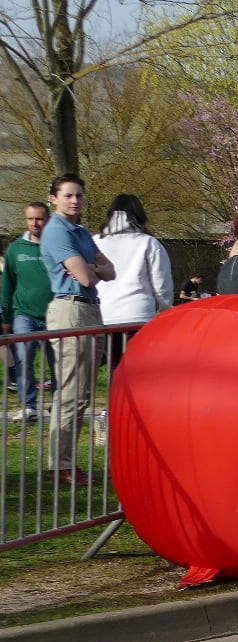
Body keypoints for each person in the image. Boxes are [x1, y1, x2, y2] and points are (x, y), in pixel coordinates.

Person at [39, 174, 114, 486]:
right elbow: (86, 278)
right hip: (70, 309)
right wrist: (92, 269)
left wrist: (90, 267)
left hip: (89, 309)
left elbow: (110, 271)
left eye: (79, 195)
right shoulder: (57, 231)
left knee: (82, 393)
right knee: (71, 392)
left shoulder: (80, 232)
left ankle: (66, 463)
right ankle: (61, 465)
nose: (75, 200)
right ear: (54, 199)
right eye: (68, 195)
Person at [94, 194, 173, 370]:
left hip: (104, 315)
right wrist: (165, 310)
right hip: (138, 316)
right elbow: (162, 285)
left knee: (115, 371)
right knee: (137, 371)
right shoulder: (149, 243)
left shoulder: (96, 242)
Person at [3, 201, 52, 421]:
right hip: (24, 314)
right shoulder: (15, 249)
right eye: (30, 219)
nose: (35, 223)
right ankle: (28, 406)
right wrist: (6, 318)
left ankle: (59, 404)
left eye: (39, 218)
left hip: (54, 313)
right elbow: (7, 285)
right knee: (23, 358)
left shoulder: (55, 245)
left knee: (58, 363)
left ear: (47, 220)